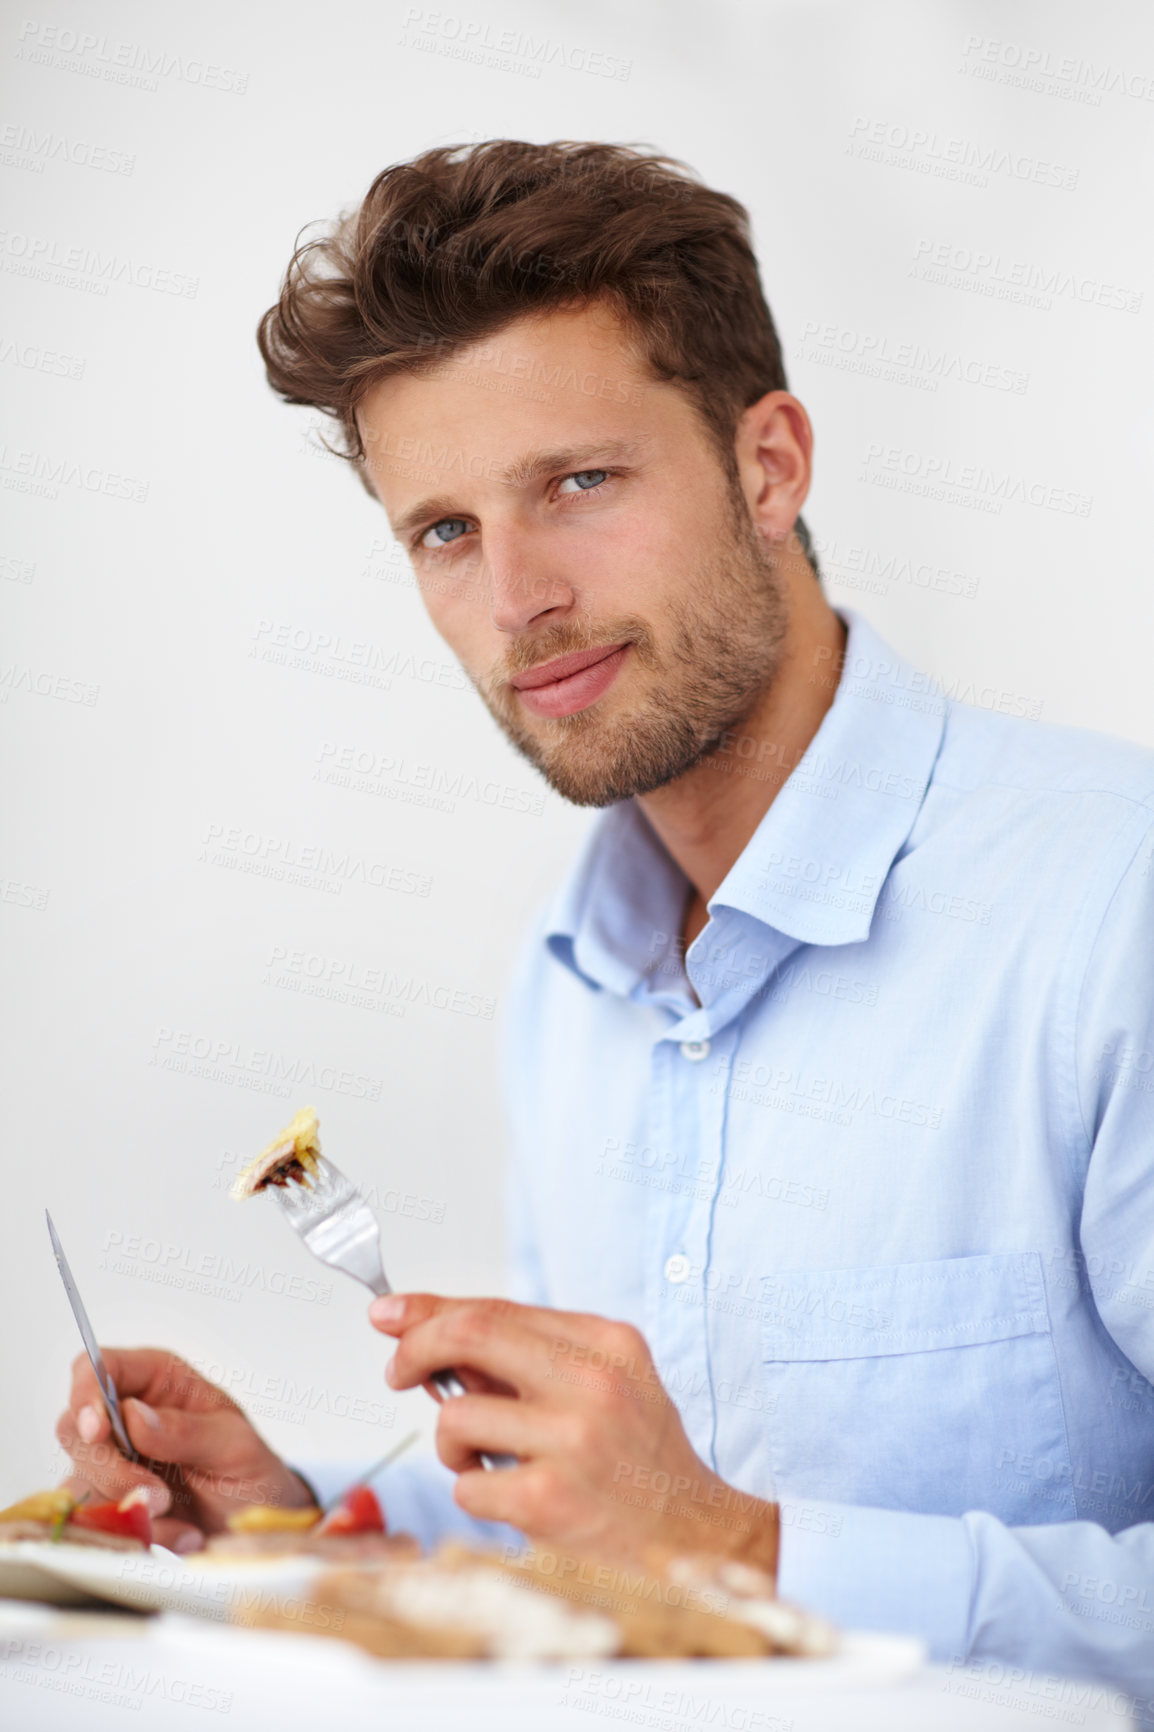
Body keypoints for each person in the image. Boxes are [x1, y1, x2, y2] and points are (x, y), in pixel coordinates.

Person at [58, 140, 1154, 1706]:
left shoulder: (1114, 912)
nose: (514, 599)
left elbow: (695, 1533)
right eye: (443, 531)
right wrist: (304, 1521)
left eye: (575, 483)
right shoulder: (570, 987)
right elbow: (613, 1532)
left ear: (768, 466)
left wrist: (745, 1548)